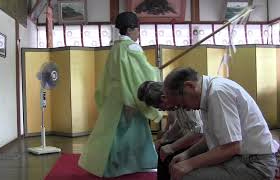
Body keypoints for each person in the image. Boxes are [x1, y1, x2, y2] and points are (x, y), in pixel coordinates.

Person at [78, 12, 162, 178]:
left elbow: (111, 75)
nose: (138, 33)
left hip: (115, 96)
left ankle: (109, 167)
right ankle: (131, 166)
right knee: (130, 133)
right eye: (137, 29)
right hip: (129, 95)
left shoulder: (116, 47)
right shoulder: (132, 47)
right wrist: (156, 71)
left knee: (114, 133)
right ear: (130, 29)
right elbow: (142, 74)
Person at [162, 67, 279, 180]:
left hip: (255, 165)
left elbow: (232, 148)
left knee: (187, 176)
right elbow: (211, 137)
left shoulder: (217, 92)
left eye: (182, 104)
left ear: (190, 86)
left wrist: (189, 164)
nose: (185, 109)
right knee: (179, 168)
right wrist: (187, 154)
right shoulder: (208, 94)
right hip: (241, 159)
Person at [137, 81, 203, 180]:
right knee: (163, 148)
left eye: (159, 108)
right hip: (194, 139)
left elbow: (199, 131)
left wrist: (172, 147)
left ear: (164, 98)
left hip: (201, 143)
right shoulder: (177, 104)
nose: (161, 110)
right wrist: (165, 138)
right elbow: (179, 124)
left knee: (168, 155)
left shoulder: (186, 101)